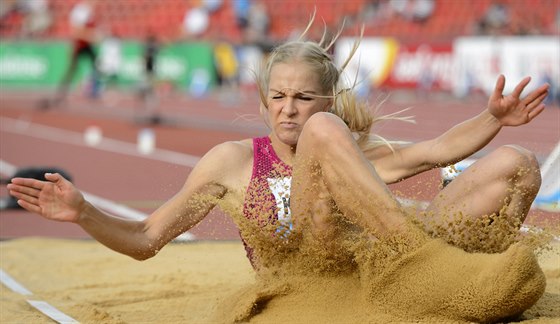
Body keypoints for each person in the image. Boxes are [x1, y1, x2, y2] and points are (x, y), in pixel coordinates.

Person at [8, 19, 551, 322]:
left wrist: (492, 118)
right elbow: (146, 237)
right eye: (279, 97)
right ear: (265, 103)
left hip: (380, 269)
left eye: (304, 97)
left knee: (517, 164)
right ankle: (428, 266)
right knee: (324, 138)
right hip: (311, 286)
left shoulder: (352, 149)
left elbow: (437, 150)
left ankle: (469, 277)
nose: (290, 109)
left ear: (330, 99)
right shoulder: (233, 162)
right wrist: (83, 212)